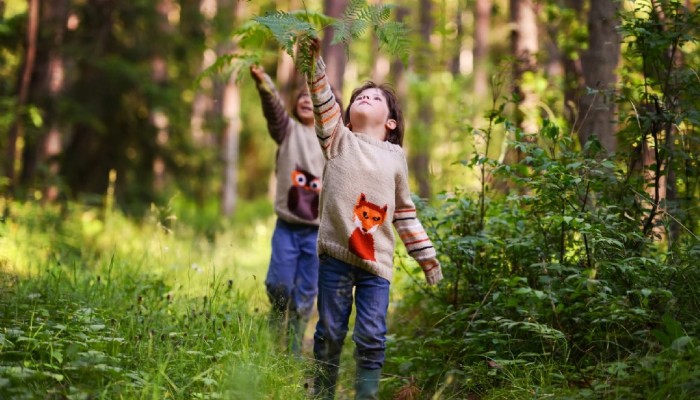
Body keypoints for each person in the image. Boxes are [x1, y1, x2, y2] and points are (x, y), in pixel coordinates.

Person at [299, 40, 443, 399]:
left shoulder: (395, 158)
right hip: (335, 255)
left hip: (376, 267)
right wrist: (313, 60)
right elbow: (322, 100)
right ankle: (323, 393)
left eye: (375, 98)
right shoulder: (337, 139)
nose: (365, 98)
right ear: (346, 114)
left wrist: (427, 258)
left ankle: (366, 395)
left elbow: (405, 214)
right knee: (330, 332)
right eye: (359, 97)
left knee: (372, 337)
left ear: (391, 121)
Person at [250, 64, 325, 357]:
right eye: (301, 96)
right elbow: (273, 109)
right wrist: (264, 83)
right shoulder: (287, 131)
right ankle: (275, 325)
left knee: (306, 294)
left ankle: (293, 349)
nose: (307, 99)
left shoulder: (331, 140)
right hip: (288, 227)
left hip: (317, 232)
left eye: (313, 95)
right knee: (279, 285)